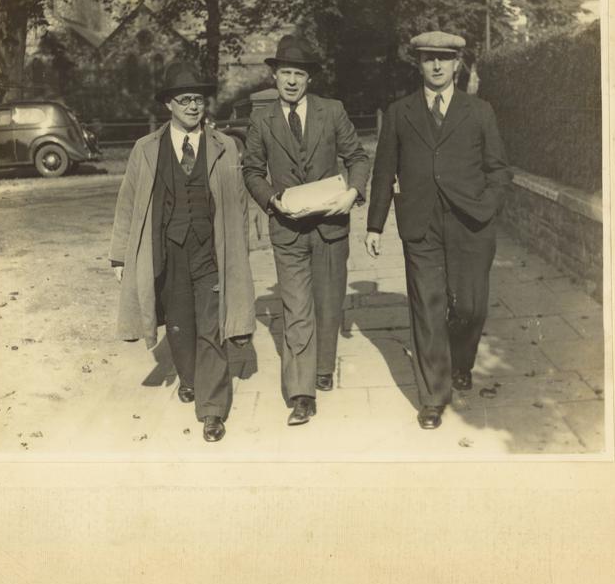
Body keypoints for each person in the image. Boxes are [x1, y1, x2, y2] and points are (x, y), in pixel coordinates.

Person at [365, 32, 512, 430]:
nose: (436, 66)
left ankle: (461, 362)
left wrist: (489, 206)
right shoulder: (399, 112)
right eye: (429, 59)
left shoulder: (479, 111)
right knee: (427, 310)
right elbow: (383, 172)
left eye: (444, 59)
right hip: (420, 224)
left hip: (470, 224)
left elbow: (499, 170)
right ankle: (433, 396)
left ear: (457, 64)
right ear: (419, 63)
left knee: (470, 308)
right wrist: (374, 225)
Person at [109, 60, 255, 443]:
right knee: (179, 326)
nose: (193, 106)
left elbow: (238, 202)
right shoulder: (146, 150)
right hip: (168, 252)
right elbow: (128, 203)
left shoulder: (224, 146)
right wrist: (120, 256)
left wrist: (240, 252)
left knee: (213, 328)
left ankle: (211, 409)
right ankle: (188, 378)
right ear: (168, 105)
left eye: (199, 99)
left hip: (212, 253)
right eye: (185, 99)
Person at [242, 35, 370, 426]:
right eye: (285, 74)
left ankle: (323, 367)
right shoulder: (262, 119)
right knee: (297, 309)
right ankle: (301, 394)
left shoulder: (332, 112)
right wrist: (271, 200)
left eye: (299, 74)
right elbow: (251, 170)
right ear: (275, 76)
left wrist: (353, 192)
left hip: (331, 226)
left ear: (308, 78)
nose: (292, 81)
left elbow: (358, 157)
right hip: (288, 230)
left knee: (328, 306)